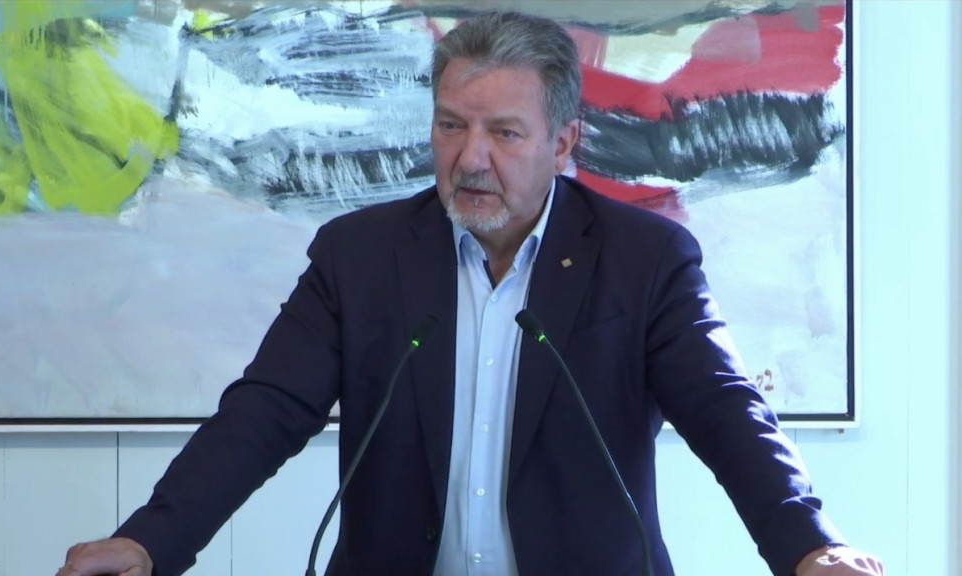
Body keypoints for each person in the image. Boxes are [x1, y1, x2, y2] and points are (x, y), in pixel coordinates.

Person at [57, 11, 883, 576]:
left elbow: (727, 410)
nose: (470, 157)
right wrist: (151, 543)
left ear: (564, 142)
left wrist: (809, 548)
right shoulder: (360, 256)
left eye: (504, 133)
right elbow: (263, 412)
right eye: (451, 125)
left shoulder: (644, 261)